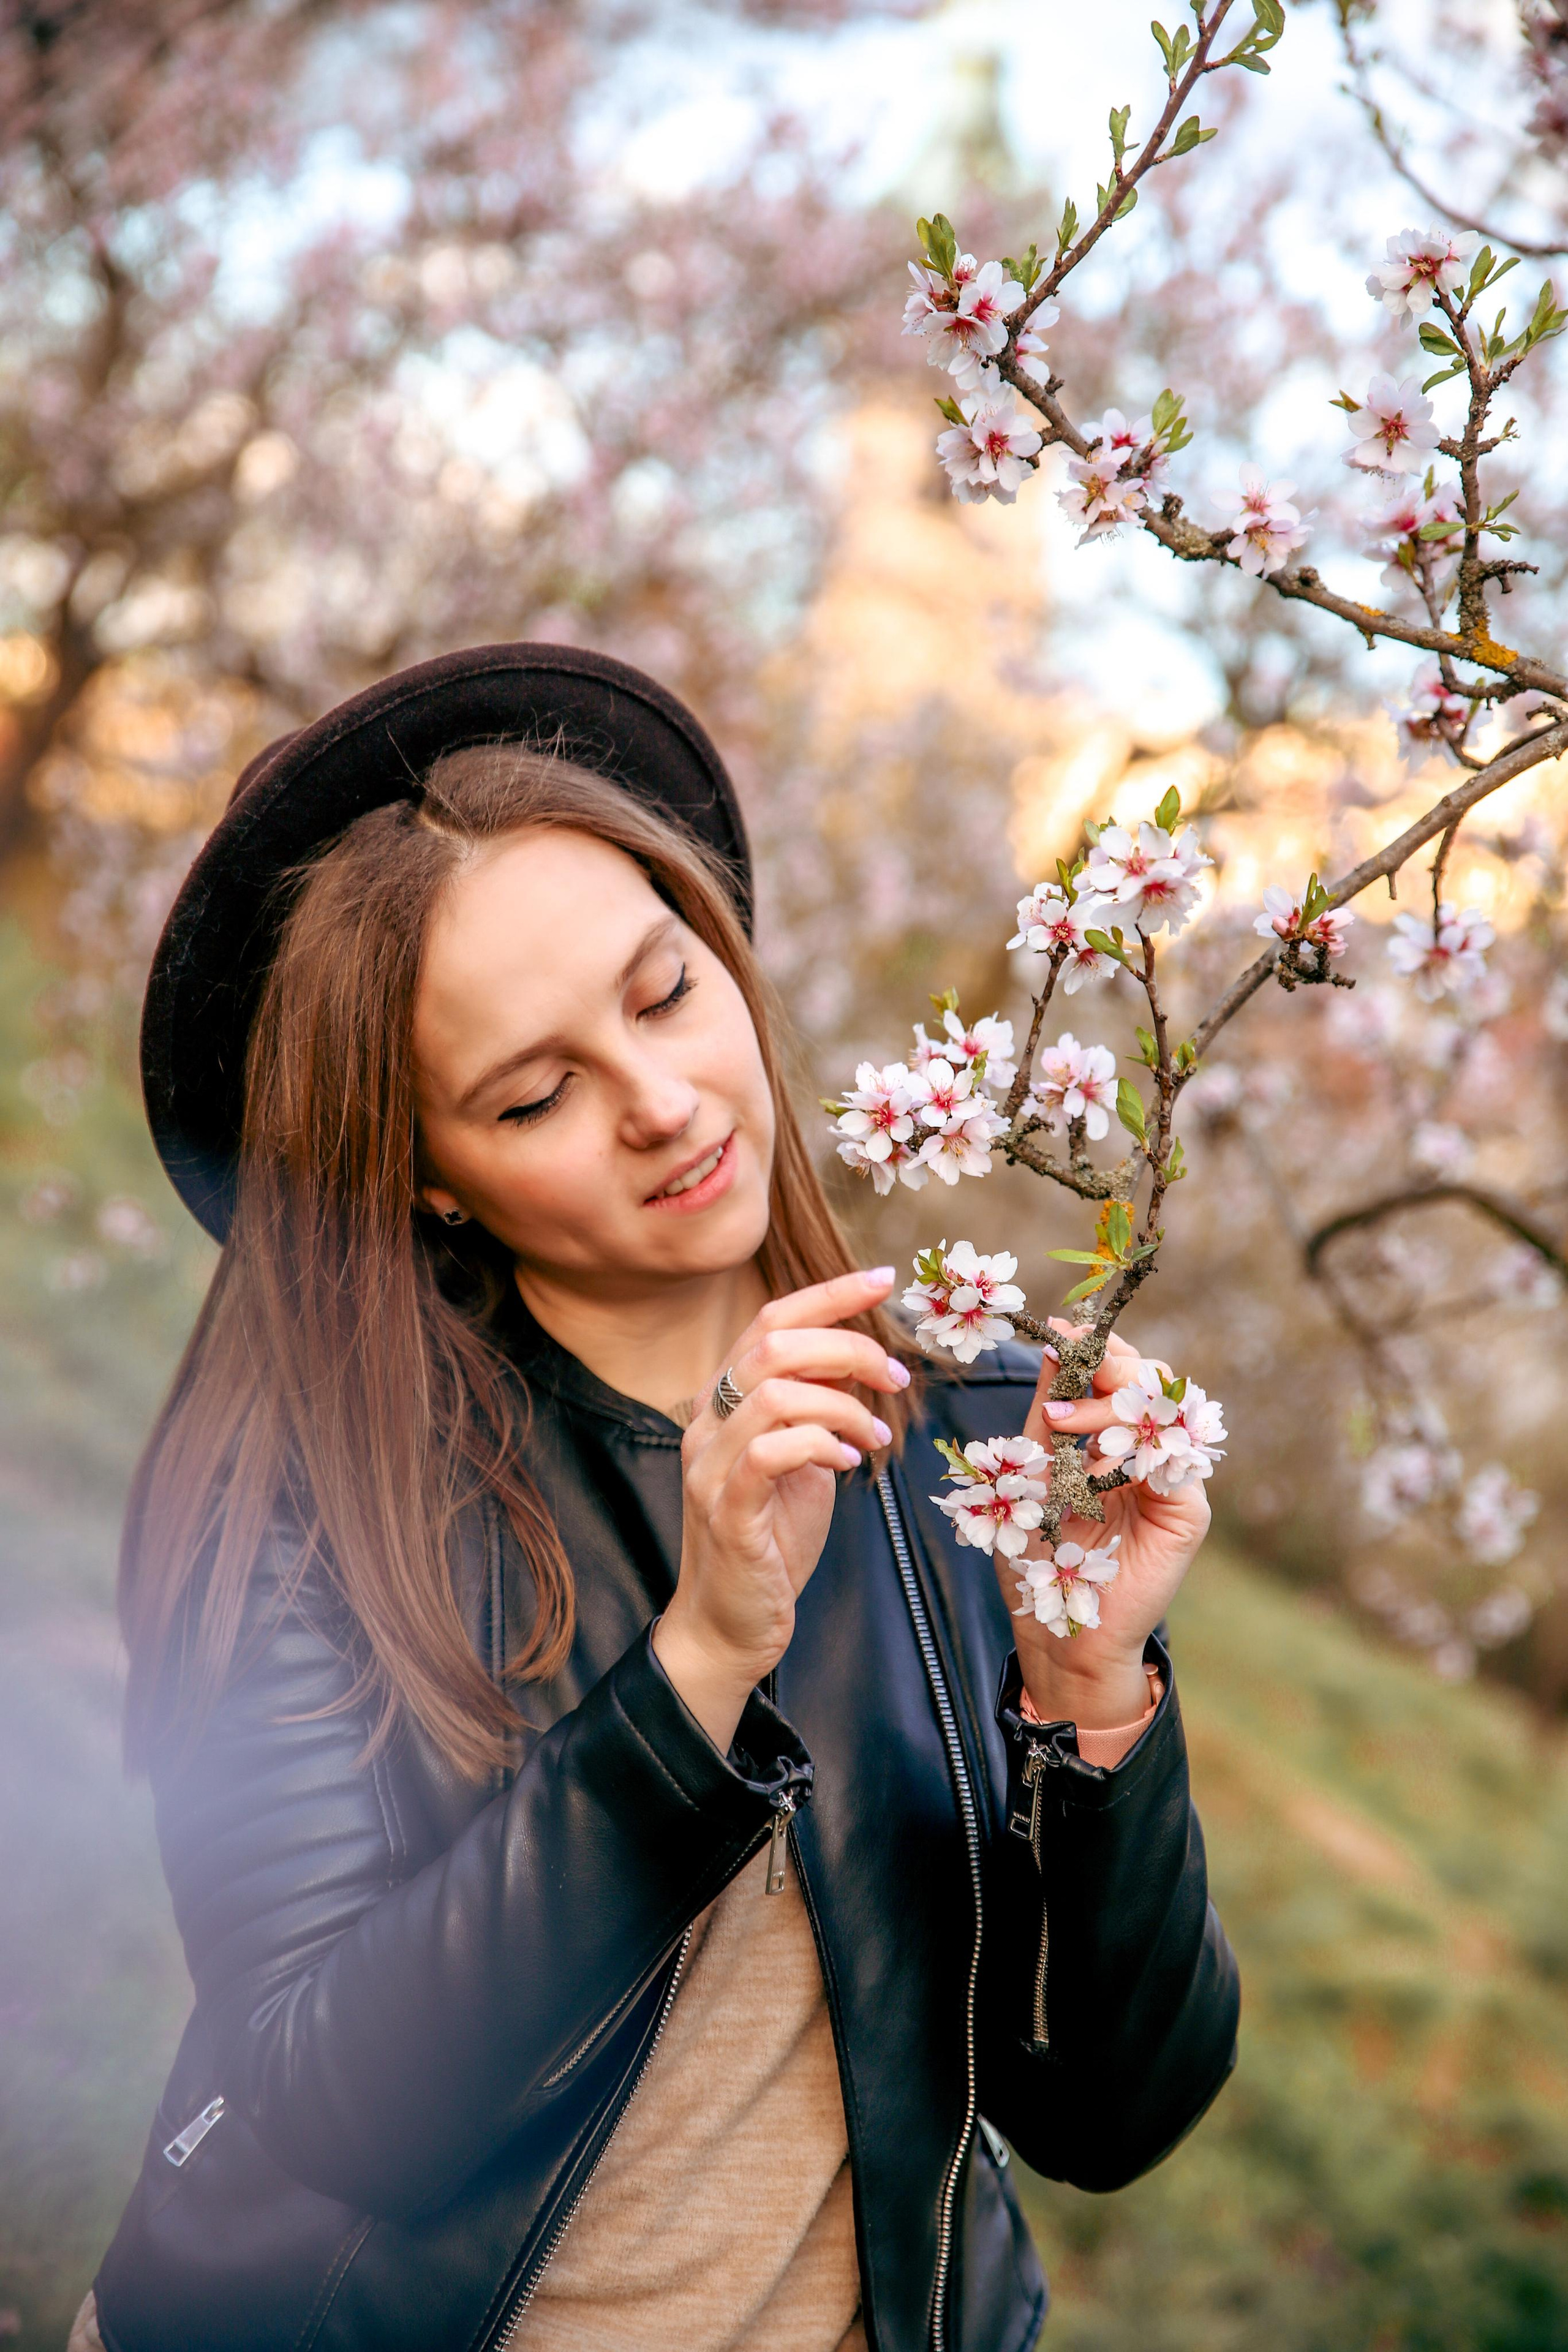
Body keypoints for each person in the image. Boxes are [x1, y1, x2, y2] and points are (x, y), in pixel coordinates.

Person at [80, 645, 1238, 2352]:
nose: (665, 1104)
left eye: (665, 991)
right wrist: (699, 1660)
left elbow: (1110, 2119)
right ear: (428, 1174)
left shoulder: (982, 1445)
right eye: (534, 1095)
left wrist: (1093, 1693)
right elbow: (341, 2105)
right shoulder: (319, 1506)